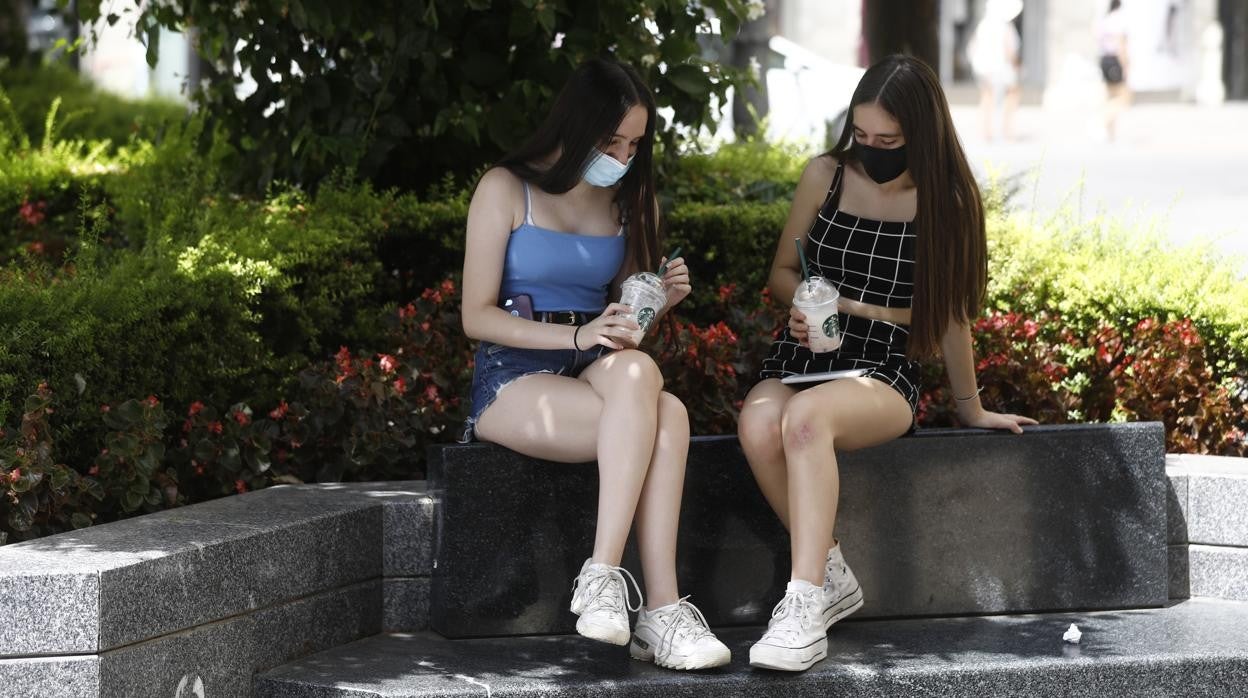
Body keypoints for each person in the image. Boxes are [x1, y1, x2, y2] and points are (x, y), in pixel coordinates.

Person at [736, 54, 1037, 672]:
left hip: (882, 368)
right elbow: (782, 272)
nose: (870, 150)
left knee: (805, 420)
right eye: (861, 135)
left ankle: (803, 604)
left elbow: (950, 317)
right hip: (802, 350)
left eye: (888, 141)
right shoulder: (824, 175)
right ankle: (830, 570)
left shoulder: (948, 200)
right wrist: (806, 303)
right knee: (758, 423)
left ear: (920, 134)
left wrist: (971, 408)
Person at [459, 57, 730, 671]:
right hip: (514, 375)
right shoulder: (505, 188)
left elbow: (623, 330)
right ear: (576, 125)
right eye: (612, 141)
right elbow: (476, 316)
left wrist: (657, 302)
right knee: (668, 418)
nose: (623, 157)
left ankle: (618, 585)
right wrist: (577, 334)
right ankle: (651, 604)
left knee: (645, 379)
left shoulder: (631, 202)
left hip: (596, 367)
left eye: (634, 144)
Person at [967, 0, 1024, 142]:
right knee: (1012, 94)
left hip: (983, 69)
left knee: (987, 97)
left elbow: (972, 47)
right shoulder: (1006, 27)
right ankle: (1007, 130)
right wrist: (1017, 66)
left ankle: (986, 131)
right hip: (1001, 68)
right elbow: (1010, 51)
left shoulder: (983, 25)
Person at [1098, 0, 1131, 141]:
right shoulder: (1118, 19)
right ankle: (1102, 121)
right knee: (1124, 97)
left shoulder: (1105, 19)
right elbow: (1121, 44)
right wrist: (1126, 65)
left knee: (1110, 95)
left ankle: (1110, 134)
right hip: (1115, 59)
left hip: (1104, 59)